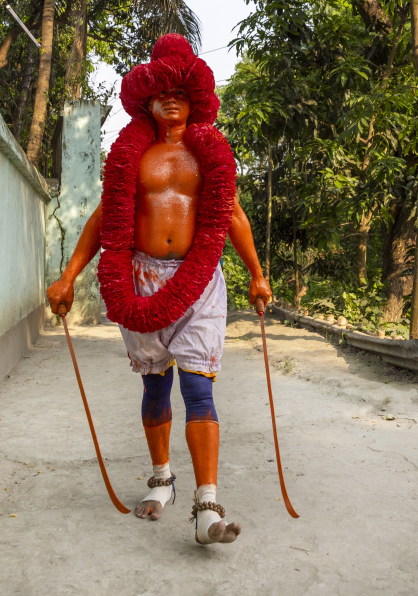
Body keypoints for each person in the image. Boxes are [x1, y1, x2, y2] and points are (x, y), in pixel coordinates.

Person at [47, 33, 271, 545]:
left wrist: (256, 273)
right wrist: (69, 274)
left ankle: (207, 503)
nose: (171, 98)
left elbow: (232, 214)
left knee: (198, 387)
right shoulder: (134, 155)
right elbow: (106, 219)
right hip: (141, 278)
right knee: (155, 387)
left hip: (199, 280)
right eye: (161, 90)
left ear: (196, 99)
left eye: (181, 90)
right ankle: (163, 478)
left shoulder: (206, 155)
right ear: (145, 97)